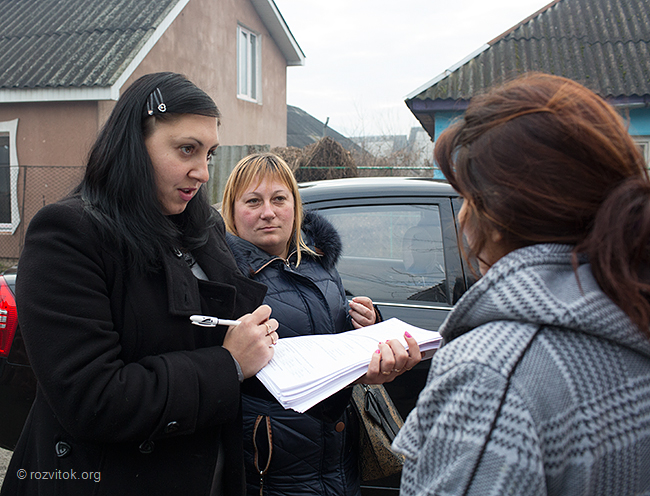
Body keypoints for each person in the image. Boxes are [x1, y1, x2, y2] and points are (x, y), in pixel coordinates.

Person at [1, 72, 281, 496]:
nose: (203, 172)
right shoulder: (68, 234)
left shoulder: (201, 227)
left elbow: (234, 342)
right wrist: (228, 365)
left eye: (209, 154)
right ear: (132, 144)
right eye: (187, 149)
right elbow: (91, 398)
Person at [392, 72, 650, 496]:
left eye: (467, 197)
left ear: (499, 217)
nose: (460, 216)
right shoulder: (630, 307)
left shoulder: (492, 376)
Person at [221, 153, 422, 496]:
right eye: (253, 201)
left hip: (339, 457)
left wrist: (367, 324)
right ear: (233, 211)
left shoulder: (318, 264)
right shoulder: (223, 278)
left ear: (295, 206)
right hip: (272, 465)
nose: (268, 212)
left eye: (279, 199)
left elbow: (333, 337)